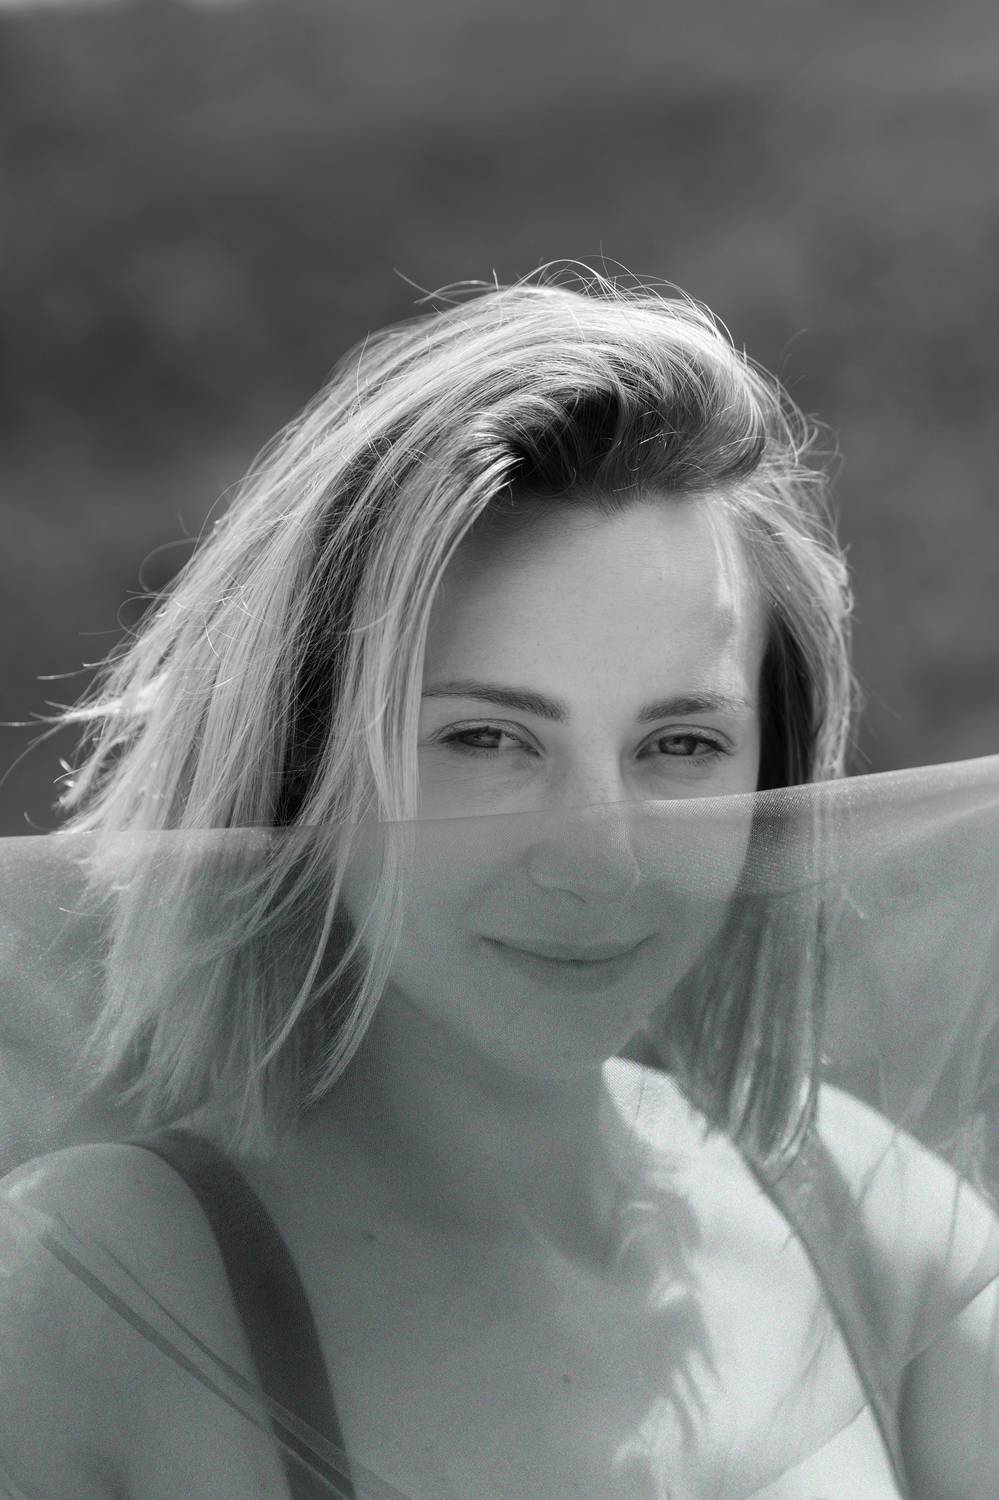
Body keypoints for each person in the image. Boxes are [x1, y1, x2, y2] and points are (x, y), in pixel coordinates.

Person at [0, 268, 997, 1499]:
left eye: (682, 744)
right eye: (487, 739)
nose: (601, 858)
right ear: (307, 759)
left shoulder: (872, 1232)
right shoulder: (98, 1298)